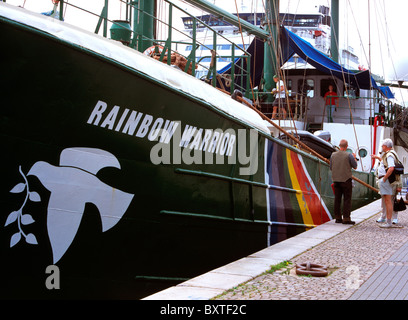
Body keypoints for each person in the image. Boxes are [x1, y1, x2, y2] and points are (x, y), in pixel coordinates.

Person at [371, 138, 403, 228]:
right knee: (387, 200)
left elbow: (391, 167)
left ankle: (389, 222)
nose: (382, 147)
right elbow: (385, 164)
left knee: (388, 201)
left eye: (382, 145)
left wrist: (384, 178)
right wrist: (377, 158)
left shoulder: (389, 155)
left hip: (386, 181)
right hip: (387, 181)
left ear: (385, 146)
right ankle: (388, 220)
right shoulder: (390, 154)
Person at [330, 139, 358, 224]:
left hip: (336, 180)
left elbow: (331, 167)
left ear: (339, 146)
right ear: (346, 146)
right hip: (346, 180)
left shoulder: (333, 155)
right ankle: (346, 218)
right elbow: (355, 166)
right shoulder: (349, 155)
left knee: (337, 199)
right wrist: (355, 158)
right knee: (347, 199)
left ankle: (338, 218)